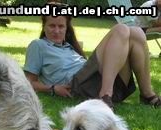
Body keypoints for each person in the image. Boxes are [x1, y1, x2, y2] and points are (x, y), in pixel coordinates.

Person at [23, 2, 161, 109]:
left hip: (102, 84)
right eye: (52, 26)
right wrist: (53, 88)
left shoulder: (68, 46)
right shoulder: (38, 45)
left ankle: (147, 94)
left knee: (137, 32)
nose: (57, 31)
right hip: (77, 86)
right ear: (44, 26)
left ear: (66, 28)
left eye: (61, 26)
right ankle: (105, 96)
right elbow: (28, 82)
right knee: (121, 29)